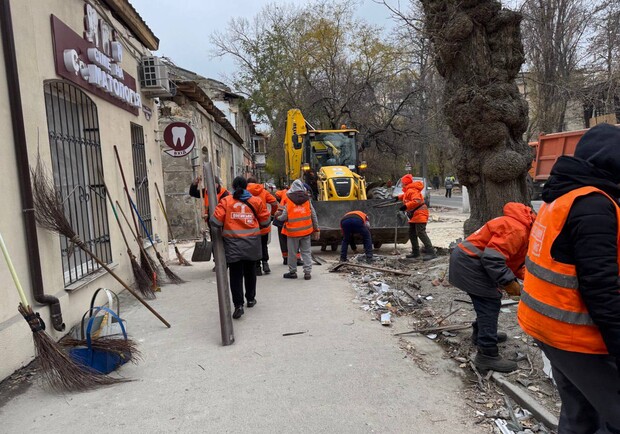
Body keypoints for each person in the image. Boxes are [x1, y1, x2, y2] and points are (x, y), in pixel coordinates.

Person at [517, 123, 620, 433]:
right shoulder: (595, 206)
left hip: (545, 326)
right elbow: (601, 289)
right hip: (574, 335)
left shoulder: (562, 197)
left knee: (580, 412)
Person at [449, 202, 536, 372]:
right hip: (469, 264)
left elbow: (514, 262)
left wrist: (533, 281)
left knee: (486, 302)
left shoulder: (521, 228)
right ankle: (487, 355)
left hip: (469, 261)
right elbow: (492, 259)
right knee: (490, 302)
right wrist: (508, 283)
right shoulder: (517, 230)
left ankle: (481, 333)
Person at [211, 176, 270, 319]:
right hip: (252, 242)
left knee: (235, 274)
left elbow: (215, 221)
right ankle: (250, 299)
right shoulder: (256, 201)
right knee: (250, 271)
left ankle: (238, 305)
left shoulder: (226, 201)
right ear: (246, 187)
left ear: (232, 186)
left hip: (232, 243)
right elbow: (266, 221)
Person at [276, 179, 319, 280]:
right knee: (306, 252)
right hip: (306, 231)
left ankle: (292, 272)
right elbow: (313, 215)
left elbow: (284, 217)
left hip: (292, 232)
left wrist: (277, 217)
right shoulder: (307, 199)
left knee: (292, 253)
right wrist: (316, 228)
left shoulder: (289, 199)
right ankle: (307, 272)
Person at [398, 174, 436, 260]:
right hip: (415, 215)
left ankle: (431, 252)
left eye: (402, 182)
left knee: (421, 233)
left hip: (420, 214)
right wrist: (398, 197)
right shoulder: (409, 190)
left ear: (405, 183)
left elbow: (417, 200)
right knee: (412, 233)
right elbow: (406, 196)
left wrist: (405, 206)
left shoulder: (412, 190)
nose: (401, 184)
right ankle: (415, 252)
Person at [247, 177, 278, 275]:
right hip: (263, 222)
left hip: (250, 224)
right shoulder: (263, 192)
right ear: (256, 183)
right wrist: (272, 213)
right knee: (263, 244)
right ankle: (265, 263)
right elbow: (274, 202)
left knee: (253, 246)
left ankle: (257, 267)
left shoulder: (244, 193)